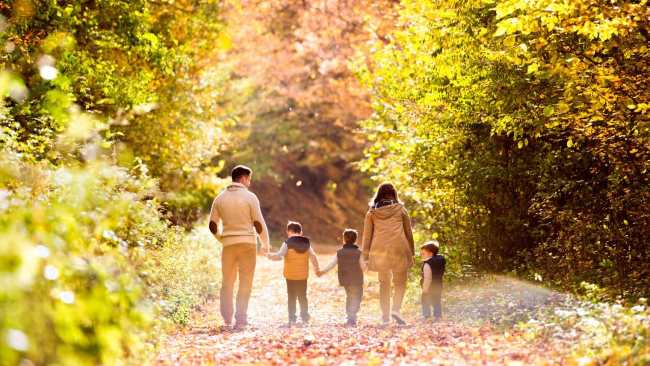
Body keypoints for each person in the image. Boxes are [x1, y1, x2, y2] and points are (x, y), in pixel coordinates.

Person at [209, 165, 270, 329]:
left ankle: (227, 316)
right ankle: (241, 317)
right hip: (248, 245)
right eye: (249, 179)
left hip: (229, 245)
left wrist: (222, 239)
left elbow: (212, 225)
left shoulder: (220, 198)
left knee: (227, 280)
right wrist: (265, 244)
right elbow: (259, 223)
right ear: (243, 178)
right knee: (246, 281)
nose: (250, 182)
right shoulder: (250, 197)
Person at [361, 182, 414, 325]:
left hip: (380, 250)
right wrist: (412, 252)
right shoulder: (401, 210)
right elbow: (408, 232)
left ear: (378, 194)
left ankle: (385, 316)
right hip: (399, 248)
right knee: (400, 282)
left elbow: (367, 237)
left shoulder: (372, 213)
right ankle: (396, 310)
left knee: (384, 283)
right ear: (394, 194)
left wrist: (365, 257)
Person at [268, 221, 320, 326]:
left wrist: (270, 255)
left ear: (289, 232)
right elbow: (313, 256)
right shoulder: (306, 244)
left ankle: (292, 318)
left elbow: (279, 255)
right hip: (302, 275)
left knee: (291, 296)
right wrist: (317, 268)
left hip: (290, 275)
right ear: (301, 232)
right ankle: (305, 316)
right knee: (302, 296)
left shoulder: (287, 243)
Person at [318, 229, 366, 327]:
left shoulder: (339, 252)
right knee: (357, 297)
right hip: (356, 279)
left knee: (350, 296)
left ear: (344, 240)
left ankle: (350, 316)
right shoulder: (359, 253)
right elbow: (363, 267)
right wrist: (367, 265)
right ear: (356, 240)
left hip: (345, 280)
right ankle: (352, 317)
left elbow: (332, 264)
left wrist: (322, 271)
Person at [420, 241, 445, 320]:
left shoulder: (427, 264)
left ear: (430, 253)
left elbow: (428, 278)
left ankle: (426, 316)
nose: (421, 255)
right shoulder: (440, 260)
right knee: (436, 301)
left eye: (423, 253)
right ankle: (438, 316)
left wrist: (425, 289)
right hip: (438, 285)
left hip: (429, 287)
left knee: (425, 300)